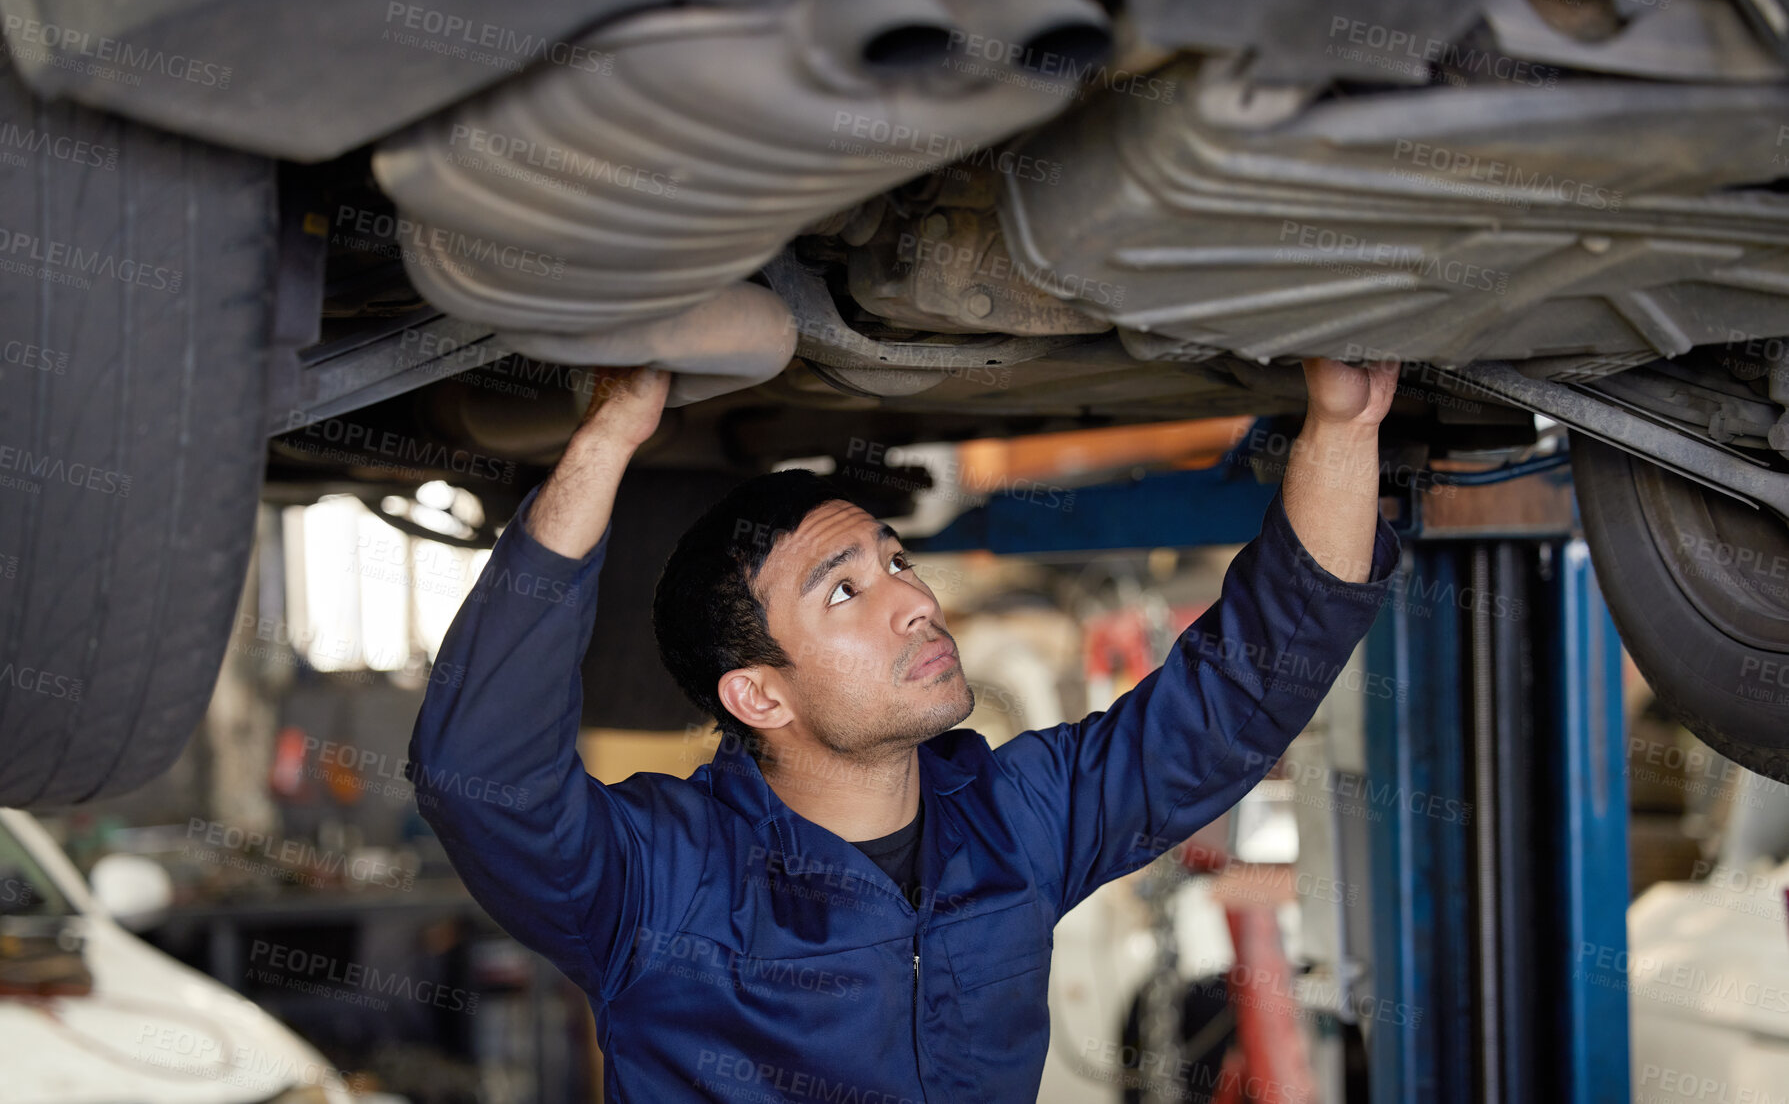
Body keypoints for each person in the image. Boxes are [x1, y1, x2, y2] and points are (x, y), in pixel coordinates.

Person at [408, 358, 1402, 1102]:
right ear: (759, 696)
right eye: (844, 591)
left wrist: (1343, 429)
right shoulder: (659, 883)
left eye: (894, 562)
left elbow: (1232, 703)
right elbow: (477, 771)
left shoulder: (1013, 820)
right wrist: (606, 439)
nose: (912, 603)